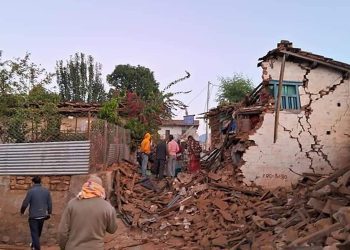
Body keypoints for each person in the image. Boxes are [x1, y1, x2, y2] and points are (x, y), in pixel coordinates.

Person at [58, 175, 117, 250]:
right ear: (101, 189)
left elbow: (62, 232)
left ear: (86, 186)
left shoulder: (72, 203)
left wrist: (63, 247)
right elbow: (112, 229)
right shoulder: (107, 207)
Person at [20, 176, 52, 250]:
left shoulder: (31, 191)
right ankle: (33, 246)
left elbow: (25, 203)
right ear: (40, 182)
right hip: (42, 216)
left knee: (34, 234)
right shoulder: (46, 191)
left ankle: (37, 248)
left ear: (33, 182)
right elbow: (49, 203)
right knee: (38, 234)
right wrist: (49, 212)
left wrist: (22, 211)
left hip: (33, 217)